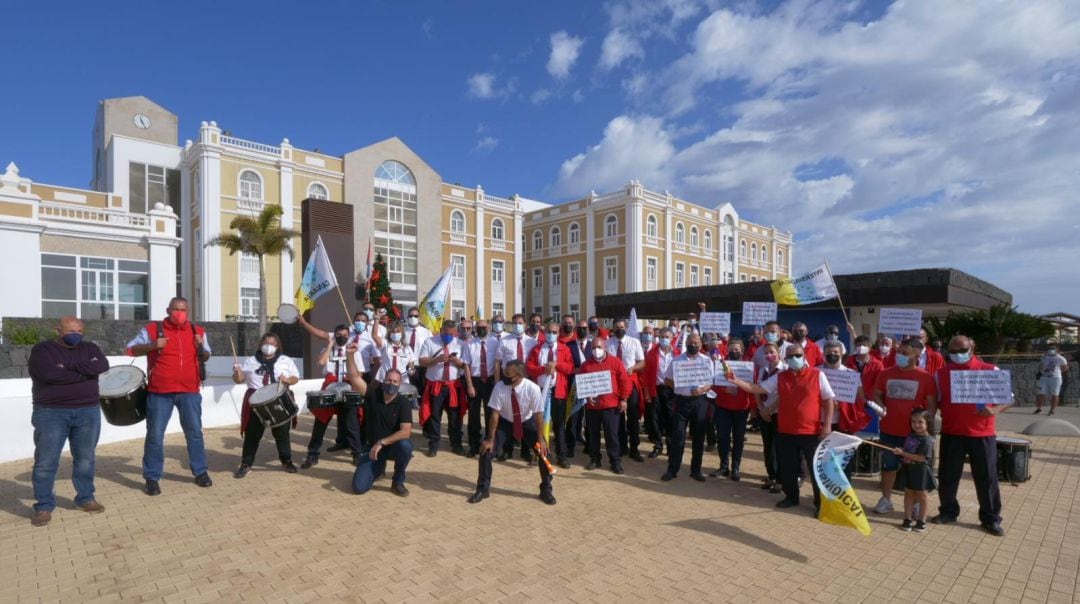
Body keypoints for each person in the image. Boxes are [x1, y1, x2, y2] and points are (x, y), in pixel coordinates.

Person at [730, 344, 835, 511]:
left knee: (815, 470)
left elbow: (829, 401)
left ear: (804, 356)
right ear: (786, 359)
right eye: (791, 356)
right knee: (787, 467)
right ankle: (791, 497)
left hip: (811, 431)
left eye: (798, 355)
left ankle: (820, 504)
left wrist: (827, 425)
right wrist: (735, 380)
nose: (795, 359)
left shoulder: (817, 375)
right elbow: (757, 388)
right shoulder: (781, 377)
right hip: (786, 430)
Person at [126, 296, 212, 496]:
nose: (179, 313)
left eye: (183, 310)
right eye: (176, 309)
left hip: (189, 391)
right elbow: (130, 350)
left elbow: (206, 355)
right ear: (168, 310)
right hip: (159, 392)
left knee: (195, 434)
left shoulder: (197, 331)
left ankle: (200, 472)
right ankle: (152, 477)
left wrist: (200, 345)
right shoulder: (152, 330)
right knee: (155, 436)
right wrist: (152, 346)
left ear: (188, 312)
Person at [28, 317, 109, 526]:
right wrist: (84, 371)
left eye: (80, 331)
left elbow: (101, 365)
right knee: (46, 462)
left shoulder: (90, 348)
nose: (77, 334)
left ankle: (85, 498)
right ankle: (44, 506)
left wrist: (68, 366)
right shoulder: (42, 350)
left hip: (87, 411)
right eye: (71, 330)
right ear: (58, 330)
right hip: (51, 413)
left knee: (85, 458)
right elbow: (49, 374)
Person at [928, 335, 1005, 536]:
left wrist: (994, 410)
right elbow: (934, 400)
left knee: (986, 477)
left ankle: (990, 518)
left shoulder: (990, 370)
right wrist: (928, 419)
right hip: (952, 432)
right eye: (953, 351)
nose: (957, 354)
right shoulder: (941, 373)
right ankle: (948, 511)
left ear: (972, 348)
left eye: (962, 350)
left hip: (982, 433)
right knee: (947, 475)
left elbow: (1008, 399)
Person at [468, 360, 555, 505]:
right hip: (505, 422)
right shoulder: (499, 387)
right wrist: (490, 439)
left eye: (508, 375)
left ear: (519, 375)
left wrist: (541, 439)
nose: (505, 377)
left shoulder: (532, 389)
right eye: (504, 373)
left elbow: (539, 414)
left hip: (527, 422)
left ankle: (546, 490)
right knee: (485, 452)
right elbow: (494, 414)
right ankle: (483, 489)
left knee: (545, 455)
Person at [870, 338, 937, 514]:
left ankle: (915, 504)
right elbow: (876, 394)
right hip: (889, 430)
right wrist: (880, 405)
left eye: (905, 353)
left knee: (914, 469)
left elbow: (931, 404)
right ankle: (886, 499)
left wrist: (925, 428)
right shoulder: (885, 373)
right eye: (899, 352)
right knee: (888, 467)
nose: (900, 355)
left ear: (917, 356)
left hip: (913, 435)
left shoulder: (926, 378)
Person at [231, 333, 300, 478]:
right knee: (252, 435)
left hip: (278, 399)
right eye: (266, 342)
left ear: (278, 346)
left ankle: (286, 461)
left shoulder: (285, 360)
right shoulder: (250, 361)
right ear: (261, 344)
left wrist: (287, 380)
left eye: (273, 343)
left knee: (282, 434)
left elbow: (295, 378)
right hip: (256, 402)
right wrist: (237, 374)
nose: (269, 346)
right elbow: (239, 379)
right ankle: (246, 464)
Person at [302, 324, 368, 468]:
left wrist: (350, 356)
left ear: (348, 336)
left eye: (345, 335)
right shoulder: (328, 349)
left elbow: (359, 374)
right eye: (338, 334)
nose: (341, 337)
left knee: (351, 422)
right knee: (321, 421)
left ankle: (357, 453)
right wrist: (330, 344)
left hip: (347, 386)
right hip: (330, 387)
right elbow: (320, 361)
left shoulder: (353, 351)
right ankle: (312, 454)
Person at [347, 364, 413, 497]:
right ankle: (378, 468)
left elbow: (406, 432)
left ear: (400, 384)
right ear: (383, 381)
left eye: (395, 381)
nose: (391, 384)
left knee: (405, 446)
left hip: (392, 448)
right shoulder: (372, 394)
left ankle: (397, 482)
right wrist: (350, 355)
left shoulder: (403, 403)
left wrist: (381, 442)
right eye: (388, 380)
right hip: (372, 449)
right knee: (358, 488)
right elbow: (354, 377)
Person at [661, 333, 714, 482]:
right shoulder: (677, 360)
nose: (694, 345)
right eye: (691, 342)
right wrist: (679, 384)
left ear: (700, 344)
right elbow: (667, 379)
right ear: (687, 343)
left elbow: (711, 382)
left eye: (696, 343)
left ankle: (696, 470)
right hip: (682, 401)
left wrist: (702, 390)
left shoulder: (706, 360)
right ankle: (673, 470)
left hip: (700, 401)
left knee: (698, 437)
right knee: (678, 436)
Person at [418, 320, 474, 457]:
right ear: (441, 330)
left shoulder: (460, 344)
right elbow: (421, 361)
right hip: (436, 385)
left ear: (454, 332)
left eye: (451, 333)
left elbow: (466, 365)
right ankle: (433, 445)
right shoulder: (430, 342)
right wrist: (436, 360)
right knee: (434, 416)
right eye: (445, 333)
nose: (448, 335)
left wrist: (457, 362)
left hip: (453, 386)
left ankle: (456, 444)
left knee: (455, 417)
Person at [580, 336, 632, 474]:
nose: (596, 350)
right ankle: (595, 459)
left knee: (612, 435)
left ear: (605, 348)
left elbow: (625, 382)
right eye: (594, 348)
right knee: (593, 434)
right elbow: (582, 384)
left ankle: (615, 461)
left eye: (599, 347)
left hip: (611, 405)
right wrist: (587, 395)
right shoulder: (586, 365)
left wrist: (624, 399)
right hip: (593, 406)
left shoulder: (615, 362)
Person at [526, 321, 574, 468]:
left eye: (554, 332)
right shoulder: (537, 349)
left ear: (558, 333)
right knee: (538, 424)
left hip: (557, 392)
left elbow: (570, 368)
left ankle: (562, 456)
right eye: (549, 332)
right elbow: (529, 368)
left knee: (559, 425)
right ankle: (539, 453)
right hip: (540, 392)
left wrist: (557, 365)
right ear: (544, 332)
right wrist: (543, 368)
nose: (551, 334)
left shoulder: (564, 349)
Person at [710, 338, 752, 481]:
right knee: (722, 437)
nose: (734, 351)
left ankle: (735, 467)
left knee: (738, 439)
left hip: (741, 408)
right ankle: (723, 466)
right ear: (727, 350)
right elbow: (714, 384)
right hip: (723, 407)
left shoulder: (748, 366)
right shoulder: (721, 365)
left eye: (737, 349)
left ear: (742, 350)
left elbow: (752, 387)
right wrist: (724, 391)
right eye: (731, 349)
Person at [497, 314, 537, 460]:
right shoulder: (504, 341)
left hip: (525, 383)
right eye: (515, 323)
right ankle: (507, 450)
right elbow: (498, 362)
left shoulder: (532, 342)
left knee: (525, 416)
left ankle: (525, 451)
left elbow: (533, 363)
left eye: (520, 323)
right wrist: (497, 382)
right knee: (507, 415)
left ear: (525, 324)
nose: (517, 325)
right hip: (508, 382)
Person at [607, 318, 647, 463]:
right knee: (617, 417)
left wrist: (633, 368)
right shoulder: (608, 343)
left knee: (633, 417)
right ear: (613, 328)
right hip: (614, 384)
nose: (619, 329)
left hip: (631, 382)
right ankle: (622, 447)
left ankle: (634, 449)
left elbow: (642, 362)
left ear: (626, 327)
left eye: (622, 326)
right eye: (617, 327)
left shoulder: (634, 342)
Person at [462, 318, 499, 457]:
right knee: (473, 416)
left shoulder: (495, 343)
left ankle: (490, 444)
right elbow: (466, 365)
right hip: (475, 381)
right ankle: (473, 446)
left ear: (489, 328)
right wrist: (470, 385)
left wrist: (496, 383)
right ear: (475, 328)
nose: (481, 329)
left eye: (484, 327)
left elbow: (497, 363)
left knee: (491, 415)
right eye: (479, 327)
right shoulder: (469, 344)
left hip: (490, 382)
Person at [753, 343, 785, 493]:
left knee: (778, 446)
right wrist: (760, 408)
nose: (769, 355)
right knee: (767, 445)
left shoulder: (785, 370)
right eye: (766, 353)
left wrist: (769, 410)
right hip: (764, 411)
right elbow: (757, 389)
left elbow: (784, 395)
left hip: (778, 412)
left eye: (771, 352)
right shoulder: (763, 370)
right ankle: (771, 475)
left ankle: (780, 479)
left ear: (778, 352)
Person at [895, 411, 935, 533]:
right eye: (913, 422)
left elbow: (922, 458)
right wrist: (902, 451)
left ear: (927, 423)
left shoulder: (927, 440)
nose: (916, 425)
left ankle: (921, 521)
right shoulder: (911, 436)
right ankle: (907, 519)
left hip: (921, 470)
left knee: (922, 496)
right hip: (909, 468)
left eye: (920, 422)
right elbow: (909, 450)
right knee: (908, 494)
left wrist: (903, 453)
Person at [642, 327, 677, 459]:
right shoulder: (652, 353)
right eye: (662, 336)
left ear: (672, 338)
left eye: (667, 337)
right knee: (655, 419)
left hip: (672, 390)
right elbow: (646, 374)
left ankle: (670, 446)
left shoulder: (677, 353)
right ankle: (658, 445)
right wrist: (646, 392)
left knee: (671, 418)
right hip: (656, 389)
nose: (664, 339)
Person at [1035, 340, 1069, 415]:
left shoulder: (1060, 358)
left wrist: (1057, 373)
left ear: (1057, 349)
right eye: (1050, 348)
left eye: (1053, 348)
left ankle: (1052, 410)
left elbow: (1065, 367)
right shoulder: (1044, 356)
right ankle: (1039, 408)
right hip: (1044, 377)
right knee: (1040, 393)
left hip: (1055, 378)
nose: (1051, 349)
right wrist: (1040, 373)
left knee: (1055, 394)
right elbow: (1041, 366)